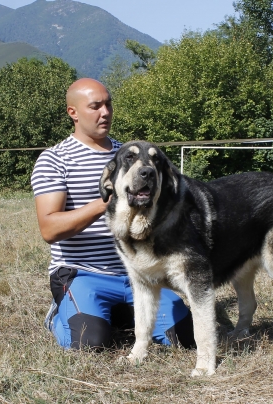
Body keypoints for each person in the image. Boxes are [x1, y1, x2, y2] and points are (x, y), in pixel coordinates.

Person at [31, 78, 194, 349]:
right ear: (73, 112)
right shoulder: (54, 159)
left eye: (108, 104)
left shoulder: (129, 154)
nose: (105, 112)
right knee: (87, 343)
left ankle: (117, 313)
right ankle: (60, 313)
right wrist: (106, 202)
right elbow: (49, 229)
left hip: (138, 272)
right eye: (95, 106)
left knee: (184, 339)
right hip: (83, 273)